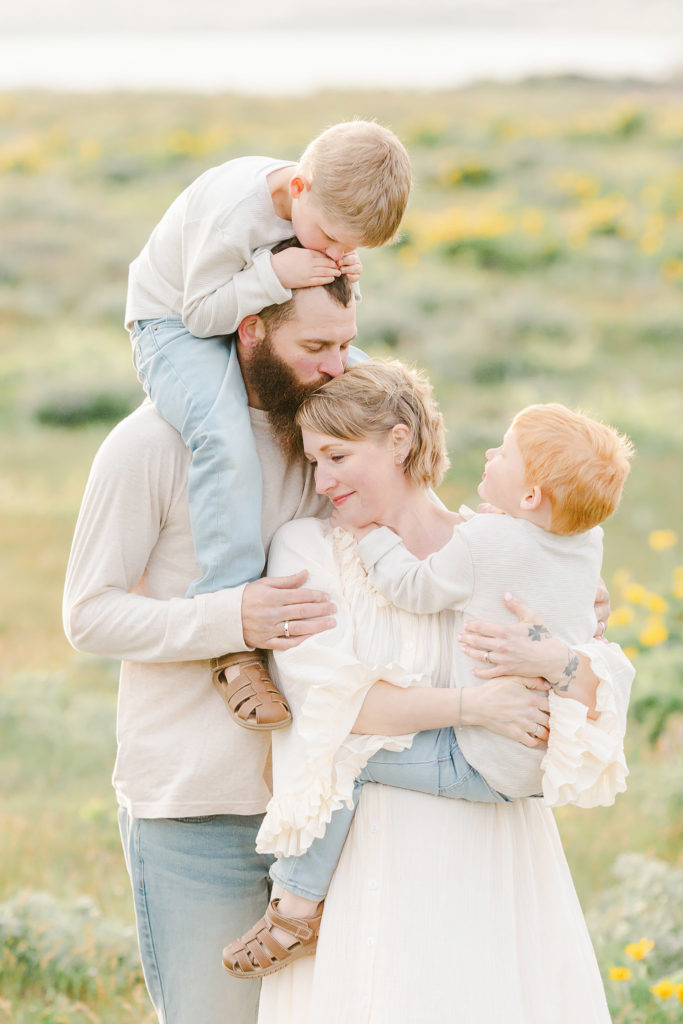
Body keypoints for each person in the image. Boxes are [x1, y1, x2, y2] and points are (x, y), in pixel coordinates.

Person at [63, 277, 552, 1024]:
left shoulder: (317, 432)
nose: (337, 363)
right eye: (316, 347)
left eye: (345, 343)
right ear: (252, 330)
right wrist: (234, 618)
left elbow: (408, 519)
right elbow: (88, 617)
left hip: (346, 811)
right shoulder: (151, 445)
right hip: (205, 807)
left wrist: (544, 584)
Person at [222, 361, 634, 1023]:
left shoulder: (501, 547)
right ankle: (295, 916)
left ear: (398, 441)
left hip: (487, 848)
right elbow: (331, 707)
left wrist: (557, 658)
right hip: (361, 856)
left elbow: (592, 698)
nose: (321, 481)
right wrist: (477, 707)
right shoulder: (308, 550)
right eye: (313, 461)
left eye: (336, 456)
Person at [125, 122, 412, 731]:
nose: (336, 253)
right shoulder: (234, 212)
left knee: (383, 399)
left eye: (350, 249)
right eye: (333, 239)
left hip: (253, 306)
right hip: (172, 322)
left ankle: (428, 549)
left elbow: (318, 272)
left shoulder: (324, 205)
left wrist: (336, 268)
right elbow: (201, 314)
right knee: (223, 432)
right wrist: (278, 276)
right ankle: (230, 633)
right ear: (298, 186)